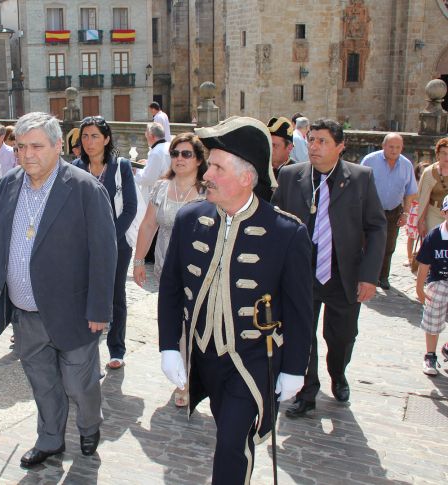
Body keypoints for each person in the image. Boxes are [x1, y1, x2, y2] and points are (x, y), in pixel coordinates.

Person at [158, 117, 313, 484]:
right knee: (224, 431)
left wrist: (295, 368)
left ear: (246, 177)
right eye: (208, 164)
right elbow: (170, 287)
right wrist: (169, 346)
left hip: (252, 360)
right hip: (202, 356)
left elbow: (299, 311)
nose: (206, 173)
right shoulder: (190, 218)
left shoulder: (287, 233)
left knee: (231, 443)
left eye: (216, 166)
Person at [0, 112, 116, 467]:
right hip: (26, 313)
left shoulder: (85, 188)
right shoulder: (8, 186)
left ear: (59, 146)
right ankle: (50, 440)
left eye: (37, 146)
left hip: (73, 312)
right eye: (21, 146)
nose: (28, 154)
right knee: (42, 383)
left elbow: (104, 253)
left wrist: (99, 310)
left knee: (78, 383)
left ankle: (90, 426)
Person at [272, 118, 386, 418]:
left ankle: (338, 373)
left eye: (322, 141)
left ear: (340, 146)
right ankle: (306, 392)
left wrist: (369, 276)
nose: (314, 146)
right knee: (301, 334)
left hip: (343, 276)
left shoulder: (361, 178)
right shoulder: (290, 176)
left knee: (341, 337)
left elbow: (376, 228)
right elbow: (274, 221)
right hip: (301, 274)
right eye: (311, 139)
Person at [133, 132, 207, 408]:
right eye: (175, 154)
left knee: (196, 322)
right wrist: (139, 260)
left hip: (200, 267)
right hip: (166, 266)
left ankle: (193, 376)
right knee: (174, 321)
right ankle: (183, 374)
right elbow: (149, 225)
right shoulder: (162, 188)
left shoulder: (208, 190)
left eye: (186, 154)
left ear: (199, 159)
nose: (179, 159)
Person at [73, 116, 137, 370]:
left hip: (117, 244)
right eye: (85, 136)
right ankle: (88, 347)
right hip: (85, 245)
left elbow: (130, 207)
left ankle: (116, 348)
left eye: (95, 136)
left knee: (115, 294)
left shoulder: (121, 167)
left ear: (107, 139)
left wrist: (109, 239)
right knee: (85, 293)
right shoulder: (76, 167)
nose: (89, 142)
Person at [360, 133, 417, 290]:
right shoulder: (370, 160)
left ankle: (383, 276)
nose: (394, 150)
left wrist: (406, 213)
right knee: (367, 243)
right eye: (391, 146)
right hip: (371, 209)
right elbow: (359, 185)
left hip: (393, 210)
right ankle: (365, 275)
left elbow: (411, 191)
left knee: (389, 245)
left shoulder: (406, 165)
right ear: (384, 146)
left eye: (398, 147)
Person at [416, 194, 448, 375]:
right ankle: (430, 355)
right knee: (433, 315)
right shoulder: (435, 236)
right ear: (444, 213)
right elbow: (424, 264)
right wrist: (420, 288)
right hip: (438, 280)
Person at [416, 138, 448, 238]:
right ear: (437, 154)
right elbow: (423, 200)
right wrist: (421, 222)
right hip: (434, 212)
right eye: (443, 153)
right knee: (435, 241)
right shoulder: (429, 172)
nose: (447, 156)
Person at [134, 122, 171, 200]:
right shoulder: (169, 146)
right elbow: (163, 164)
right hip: (168, 189)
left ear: (151, 136)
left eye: (146, 134)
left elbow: (147, 179)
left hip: (158, 194)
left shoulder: (156, 152)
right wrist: (148, 162)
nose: (146, 137)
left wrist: (137, 170)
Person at [405, 161, 430, 266]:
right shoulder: (414, 183)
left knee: (424, 236)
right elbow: (411, 197)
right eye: (421, 171)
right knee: (411, 236)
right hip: (414, 211)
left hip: (426, 211)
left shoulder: (430, 182)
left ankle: (421, 259)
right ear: (418, 173)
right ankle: (410, 258)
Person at [266, 116, 295, 181]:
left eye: (274, 145)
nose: (269, 149)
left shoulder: (296, 175)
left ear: (289, 147)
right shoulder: (261, 170)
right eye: (268, 144)